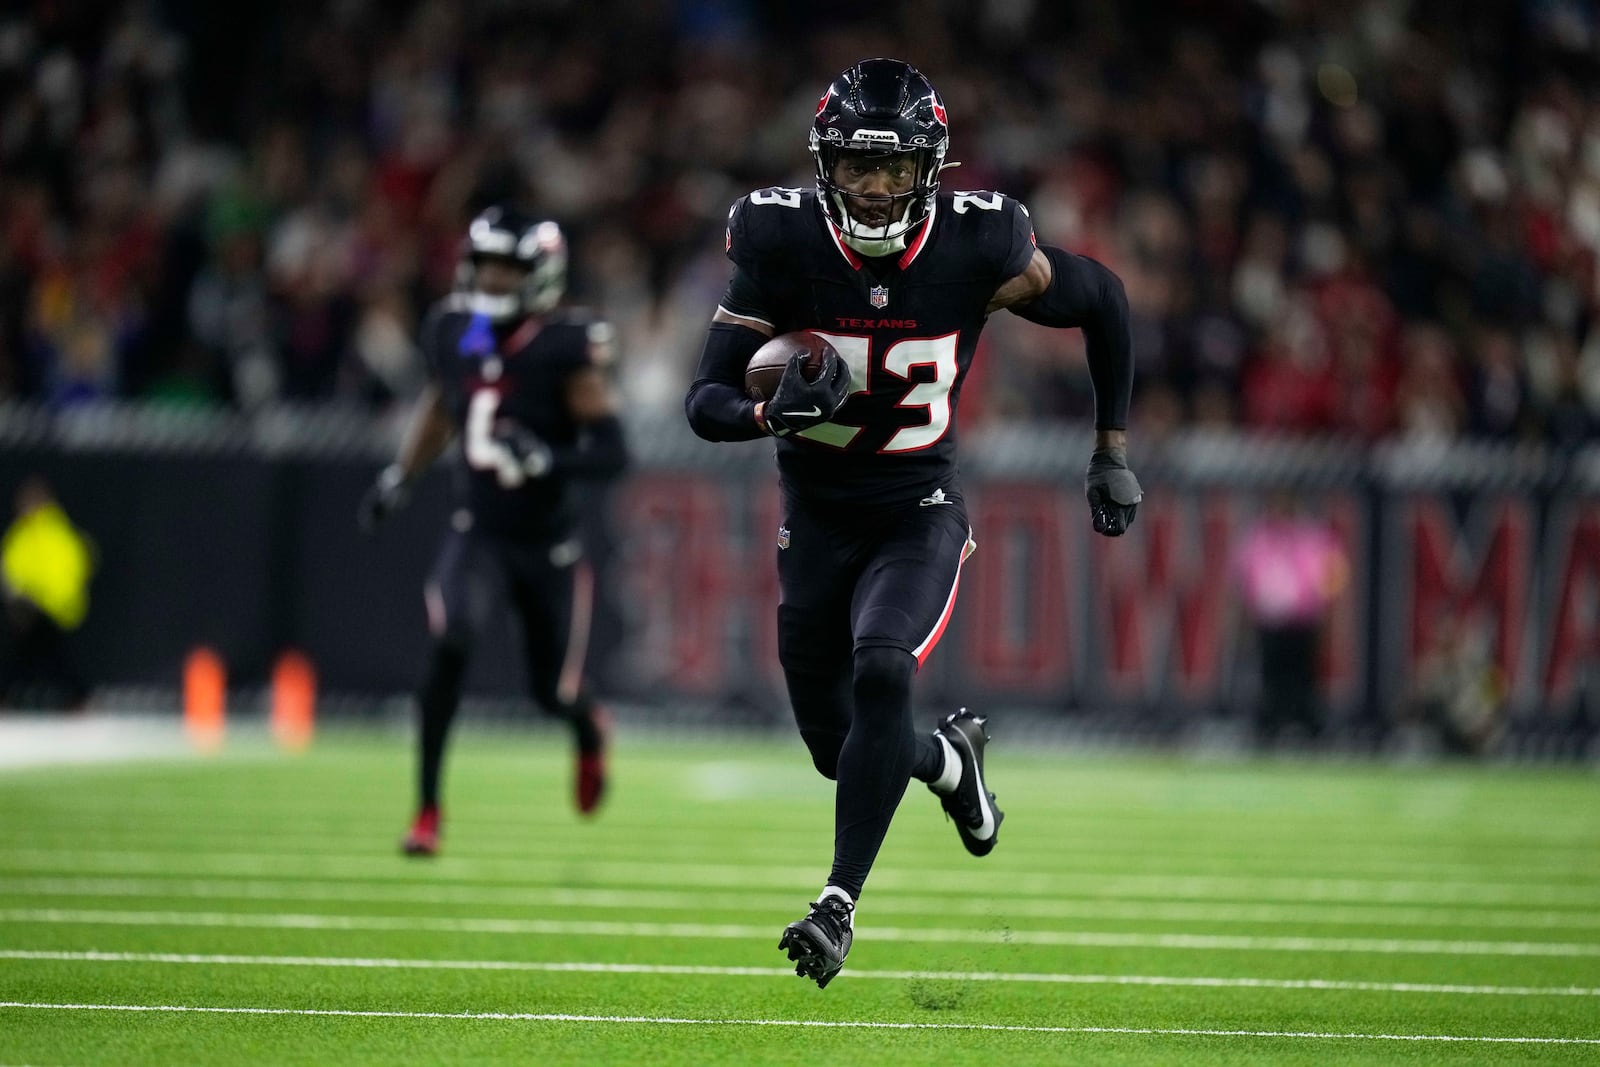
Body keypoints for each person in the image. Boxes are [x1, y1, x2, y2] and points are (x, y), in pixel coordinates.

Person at [684, 58, 1141, 987]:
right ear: (826, 164)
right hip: (815, 518)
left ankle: (837, 904)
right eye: (859, 165)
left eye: (895, 169)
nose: (878, 187)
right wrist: (768, 414)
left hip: (916, 509)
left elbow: (1103, 299)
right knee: (838, 746)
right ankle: (949, 761)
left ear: (931, 167)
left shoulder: (981, 245)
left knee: (886, 665)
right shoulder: (780, 239)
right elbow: (704, 396)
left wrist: (1112, 448)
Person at [359, 205, 629, 856]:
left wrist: (547, 457)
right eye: (488, 267)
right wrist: (402, 474)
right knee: (452, 636)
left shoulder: (566, 347)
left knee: (552, 692)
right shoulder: (463, 329)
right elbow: (450, 400)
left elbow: (613, 452)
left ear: (540, 274)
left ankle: (587, 727)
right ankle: (427, 809)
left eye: (510, 269)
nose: (496, 280)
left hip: (549, 548)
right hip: (479, 530)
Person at [1232, 489, 1350, 747]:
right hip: (1270, 624)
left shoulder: (1313, 538)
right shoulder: (1259, 538)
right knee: (1272, 681)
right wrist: (1244, 623)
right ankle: (1270, 732)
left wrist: (1328, 619)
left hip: (1303, 622)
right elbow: (1245, 582)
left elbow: (1332, 580)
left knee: (1303, 680)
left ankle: (1309, 734)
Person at [0, 476, 94, 709]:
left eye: (32, 501)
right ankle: (78, 700)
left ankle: (79, 700)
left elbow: (71, 568)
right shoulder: (20, 535)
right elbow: (10, 569)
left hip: (55, 609)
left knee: (49, 657)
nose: (26, 506)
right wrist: (19, 597)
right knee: (36, 656)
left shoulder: (58, 533)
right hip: (29, 609)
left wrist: (50, 597)